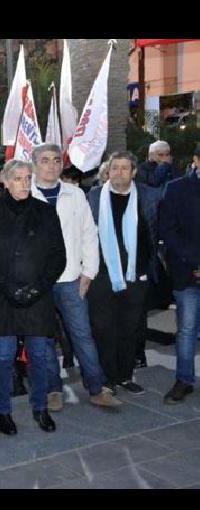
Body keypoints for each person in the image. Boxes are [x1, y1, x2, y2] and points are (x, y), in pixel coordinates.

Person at [30, 144, 122, 410]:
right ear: (35, 164)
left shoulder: (75, 195)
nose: (51, 165)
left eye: (56, 160)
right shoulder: (26, 196)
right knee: (45, 339)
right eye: (45, 160)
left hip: (72, 279)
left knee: (82, 335)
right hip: (39, 285)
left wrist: (88, 272)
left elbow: (88, 235)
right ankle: (52, 390)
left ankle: (96, 387)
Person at [0, 160, 67, 435]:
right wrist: (12, 290)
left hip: (38, 297)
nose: (24, 183)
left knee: (40, 355)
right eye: (18, 178)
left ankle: (40, 408)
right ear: (5, 181)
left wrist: (37, 288)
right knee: (4, 357)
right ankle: (4, 413)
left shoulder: (45, 212)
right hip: (5, 299)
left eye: (28, 178)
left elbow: (58, 257)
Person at [87, 152, 160, 396]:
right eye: (114, 167)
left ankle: (126, 375)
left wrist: (150, 268)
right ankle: (108, 378)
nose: (119, 172)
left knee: (130, 329)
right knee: (103, 329)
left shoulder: (148, 196)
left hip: (135, 275)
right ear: (108, 171)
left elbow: (156, 230)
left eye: (124, 168)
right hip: (102, 275)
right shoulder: (94, 197)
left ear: (134, 172)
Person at [160, 144, 200, 404]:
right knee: (186, 330)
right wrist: (195, 262)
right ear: (196, 159)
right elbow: (168, 230)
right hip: (188, 272)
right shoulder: (176, 189)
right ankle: (184, 380)